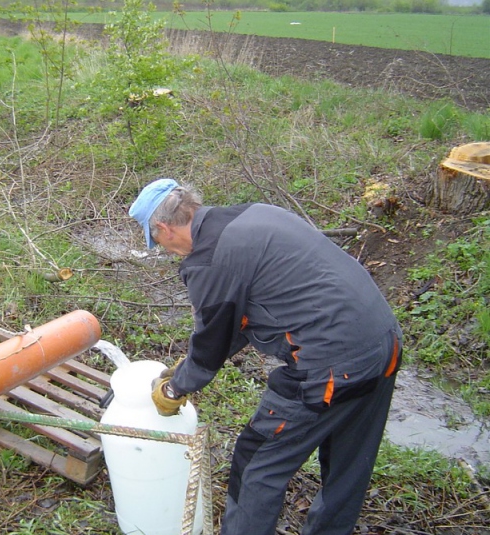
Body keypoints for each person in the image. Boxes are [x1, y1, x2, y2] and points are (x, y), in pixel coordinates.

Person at [129, 178, 402, 535]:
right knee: (349, 465)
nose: (166, 250)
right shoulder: (256, 214)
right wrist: (184, 368)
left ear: (164, 228)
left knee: (257, 461)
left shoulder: (210, 259)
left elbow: (212, 340)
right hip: (384, 343)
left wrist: (175, 389)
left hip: (330, 365)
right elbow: (238, 321)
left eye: (159, 242)